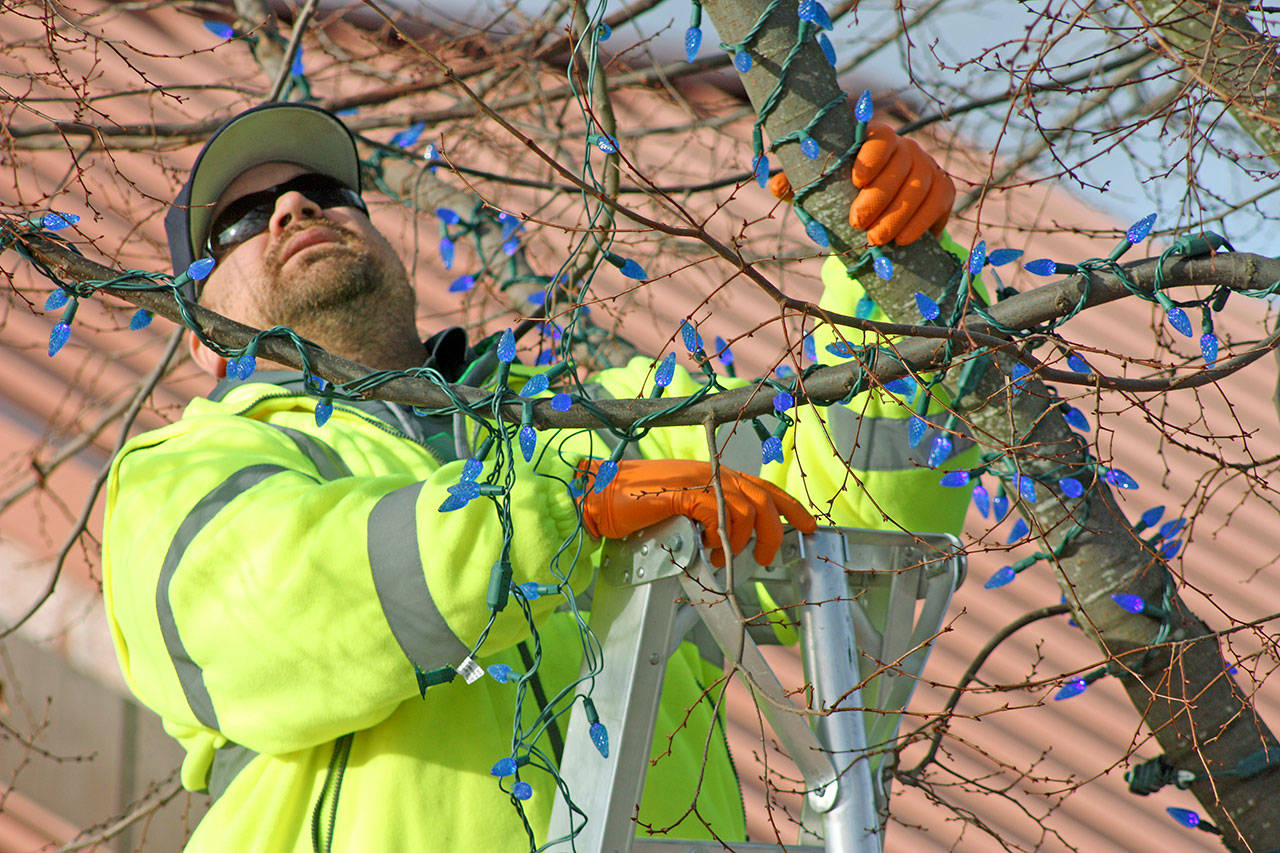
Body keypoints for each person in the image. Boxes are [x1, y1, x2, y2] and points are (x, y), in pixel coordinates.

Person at [101, 101, 962, 851]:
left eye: (328, 195)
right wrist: (555, 516)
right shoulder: (180, 477)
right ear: (197, 322)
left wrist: (891, 281)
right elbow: (279, 607)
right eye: (244, 221)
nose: (294, 206)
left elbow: (841, 546)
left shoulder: (587, 424)